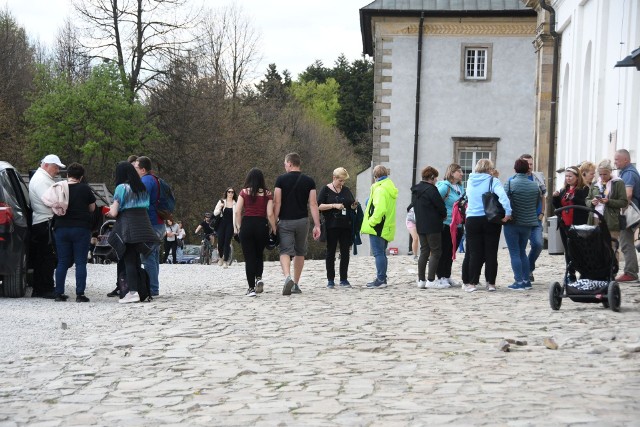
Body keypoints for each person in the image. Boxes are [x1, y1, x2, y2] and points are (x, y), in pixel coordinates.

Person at [107, 161, 158, 303]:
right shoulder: (142, 188)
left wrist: (109, 210)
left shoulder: (121, 188)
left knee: (128, 259)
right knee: (136, 260)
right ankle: (141, 290)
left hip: (128, 226)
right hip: (143, 225)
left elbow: (114, 211)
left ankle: (132, 292)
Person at [274, 152, 321, 295]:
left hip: (286, 221)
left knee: (285, 251)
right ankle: (295, 283)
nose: (285, 166)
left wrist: (273, 221)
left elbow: (277, 202)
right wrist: (317, 225)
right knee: (300, 251)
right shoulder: (309, 181)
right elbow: (313, 203)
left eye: (285, 164)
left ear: (289, 163)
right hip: (302, 221)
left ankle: (287, 276)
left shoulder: (280, 180)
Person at [463, 159, 512, 293]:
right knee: (491, 252)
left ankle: (472, 283)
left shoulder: (470, 181)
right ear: (489, 169)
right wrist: (508, 213)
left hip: (472, 219)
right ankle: (490, 283)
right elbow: (503, 197)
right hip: (490, 219)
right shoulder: (492, 181)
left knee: (474, 253)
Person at [50, 163, 96, 302]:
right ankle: (80, 294)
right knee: (80, 262)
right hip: (81, 228)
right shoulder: (85, 189)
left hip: (61, 227)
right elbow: (92, 208)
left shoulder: (59, 188)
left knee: (62, 261)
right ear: (81, 177)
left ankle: (58, 293)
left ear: (67, 174)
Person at [234, 168, 277, 297]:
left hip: (247, 225)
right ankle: (259, 277)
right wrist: (274, 228)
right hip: (261, 225)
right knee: (259, 254)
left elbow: (237, 211)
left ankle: (251, 288)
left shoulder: (243, 192)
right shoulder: (267, 193)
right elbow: (270, 214)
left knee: (249, 258)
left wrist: (239, 227)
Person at [28, 154, 65, 299]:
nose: (57, 171)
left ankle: (44, 286)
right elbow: (52, 201)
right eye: (55, 167)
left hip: (43, 221)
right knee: (46, 257)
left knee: (45, 257)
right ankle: (44, 288)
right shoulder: (42, 180)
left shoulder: (42, 178)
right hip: (44, 221)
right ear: (46, 165)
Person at [317, 167, 357, 288]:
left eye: (344, 181)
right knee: (331, 252)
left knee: (345, 252)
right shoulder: (326, 190)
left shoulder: (346, 190)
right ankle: (330, 279)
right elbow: (319, 206)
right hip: (331, 225)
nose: (342, 183)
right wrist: (334, 205)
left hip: (345, 226)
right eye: (340, 180)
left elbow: (350, 204)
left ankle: (344, 278)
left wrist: (354, 206)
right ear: (334, 178)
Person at [503, 159, 540, 291]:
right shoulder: (534, 185)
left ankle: (518, 281)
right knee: (523, 251)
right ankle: (526, 280)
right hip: (528, 222)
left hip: (513, 222)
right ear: (527, 170)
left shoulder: (510, 183)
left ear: (515, 169)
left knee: (514, 252)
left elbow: (504, 201)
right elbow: (536, 203)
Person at [361, 165, 398, 289]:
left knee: (378, 253)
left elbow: (380, 209)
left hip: (378, 226)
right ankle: (382, 277)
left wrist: (371, 222)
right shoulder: (389, 186)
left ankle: (381, 279)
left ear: (375, 176)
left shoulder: (380, 189)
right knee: (382, 253)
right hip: (386, 225)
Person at [552, 165, 590, 283]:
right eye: (566, 176)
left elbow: (584, 204)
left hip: (578, 223)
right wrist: (555, 198)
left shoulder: (583, 189)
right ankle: (570, 273)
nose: (568, 178)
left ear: (577, 177)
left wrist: (573, 198)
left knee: (579, 249)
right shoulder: (564, 190)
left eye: (570, 176)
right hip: (565, 224)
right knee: (568, 250)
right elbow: (559, 207)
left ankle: (583, 272)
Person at [134, 156, 164, 297]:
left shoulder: (145, 181)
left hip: (150, 223)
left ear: (143, 169)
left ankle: (152, 288)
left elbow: (141, 202)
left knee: (148, 257)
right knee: (154, 256)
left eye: (136, 167)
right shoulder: (155, 179)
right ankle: (154, 286)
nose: (134, 170)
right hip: (158, 222)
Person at [412, 166, 447, 289]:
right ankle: (431, 280)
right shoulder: (432, 190)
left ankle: (421, 280)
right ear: (431, 177)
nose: (436, 180)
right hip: (433, 225)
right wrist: (443, 215)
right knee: (436, 251)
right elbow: (441, 207)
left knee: (424, 251)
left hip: (420, 224)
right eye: (435, 178)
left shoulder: (416, 190)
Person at [519, 154, 547, 282]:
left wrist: (542, 213)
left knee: (538, 244)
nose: (529, 167)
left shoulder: (537, 178)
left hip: (536, 218)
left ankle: (529, 267)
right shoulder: (516, 179)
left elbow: (543, 196)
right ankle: (525, 271)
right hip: (522, 218)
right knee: (522, 247)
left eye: (531, 164)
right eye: (527, 164)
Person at [435, 163, 464, 287]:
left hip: (458, 224)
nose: (462, 174)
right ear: (452, 173)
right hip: (446, 224)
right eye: (459, 171)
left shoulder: (459, 187)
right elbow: (435, 201)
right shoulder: (444, 187)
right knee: (444, 251)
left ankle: (447, 275)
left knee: (452, 252)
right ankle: (440, 276)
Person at [613, 149, 640, 282]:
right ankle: (630, 272)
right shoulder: (626, 173)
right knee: (626, 242)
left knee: (630, 242)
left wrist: (620, 209)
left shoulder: (628, 174)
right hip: (631, 214)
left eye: (617, 159)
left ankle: (631, 272)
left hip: (632, 214)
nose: (615, 162)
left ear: (626, 160)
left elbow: (628, 194)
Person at [586, 159, 627, 240]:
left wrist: (609, 201)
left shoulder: (618, 183)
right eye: (600, 174)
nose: (602, 177)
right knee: (596, 246)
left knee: (611, 246)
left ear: (610, 172)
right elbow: (587, 199)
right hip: (595, 217)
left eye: (605, 174)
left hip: (611, 220)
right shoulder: (595, 183)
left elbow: (624, 202)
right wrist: (592, 202)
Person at [214, 188, 237, 268]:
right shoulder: (221, 201)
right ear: (226, 193)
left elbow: (237, 216)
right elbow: (215, 213)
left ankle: (225, 261)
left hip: (230, 224)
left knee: (227, 243)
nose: (230, 193)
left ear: (234, 194)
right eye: (229, 192)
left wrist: (237, 227)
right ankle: (220, 257)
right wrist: (220, 207)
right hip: (222, 223)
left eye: (232, 192)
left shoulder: (235, 203)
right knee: (220, 243)